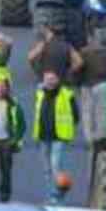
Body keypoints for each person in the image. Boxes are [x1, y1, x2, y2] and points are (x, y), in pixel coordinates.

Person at [33, 70, 80, 203]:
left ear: (58, 80)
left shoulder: (67, 95)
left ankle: (57, 195)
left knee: (56, 166)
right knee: (47, 169)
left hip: (59, 136)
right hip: (43, 136)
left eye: (52, 78)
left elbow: (76, 116)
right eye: (47, 79)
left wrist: (68, 129)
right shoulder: (40, 93)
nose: (49, 81)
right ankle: (51, 195)